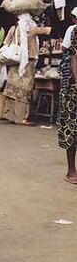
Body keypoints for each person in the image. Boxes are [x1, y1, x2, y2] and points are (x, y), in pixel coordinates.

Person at [2, 13, 51, 125]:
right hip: (27, 61)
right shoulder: (31, 27)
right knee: (24, 89)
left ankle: (10, 115)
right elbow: (47, 30)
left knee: (12, 88)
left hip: (15, 60)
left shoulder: (13, 28)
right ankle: (21, 118)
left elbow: (5, 42)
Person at [58, 22, 77, 184]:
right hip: (72, 88)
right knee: (71, 129)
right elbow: (73, 57)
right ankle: (71, 170)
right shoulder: (74, 30)